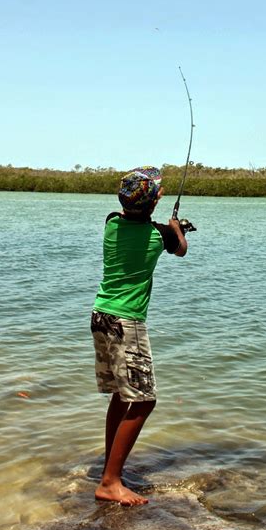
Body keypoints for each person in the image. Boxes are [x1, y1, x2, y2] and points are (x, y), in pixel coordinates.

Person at [91, 166, 188, 506]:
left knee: (122, 395)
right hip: (126, 323)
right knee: (144, 400)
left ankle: (110, 470)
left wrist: (165, 222)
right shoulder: (159, 236)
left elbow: (139, 220)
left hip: (101, 316)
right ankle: (110, 481)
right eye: (158, 192)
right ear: (154, 202)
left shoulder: (111, 223)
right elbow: (180, 249)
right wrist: (177, 227)